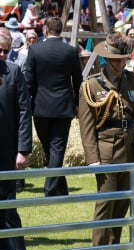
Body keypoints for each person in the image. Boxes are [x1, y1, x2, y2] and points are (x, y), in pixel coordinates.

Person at [78, 32, 134, 250]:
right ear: (106, 59)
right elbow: (86, 126)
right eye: (117, 60)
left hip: (132, 147)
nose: (122, 64)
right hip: (106, 151)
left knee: (123, 201)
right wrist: (92, 157)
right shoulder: (91, 85)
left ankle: (113, 249)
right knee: (106, 202)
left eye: (124, 59)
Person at [24, 16, 82, 197]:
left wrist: (27, 104)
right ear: (61, 30)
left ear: (46, 30)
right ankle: (59, 187)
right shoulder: (70, 51)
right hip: (63, 106)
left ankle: (50, 189)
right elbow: (78, 80)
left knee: (52, 148)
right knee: (54, 149)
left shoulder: (34, 50)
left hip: (40, 106)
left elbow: (29, 81)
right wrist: (78, 104)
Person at [0, 34, 33, 250]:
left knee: (8, 210)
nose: (2, 54)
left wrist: (23, 149)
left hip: (7, 154)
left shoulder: (13, 72)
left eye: (4, 50)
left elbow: (24, 110)